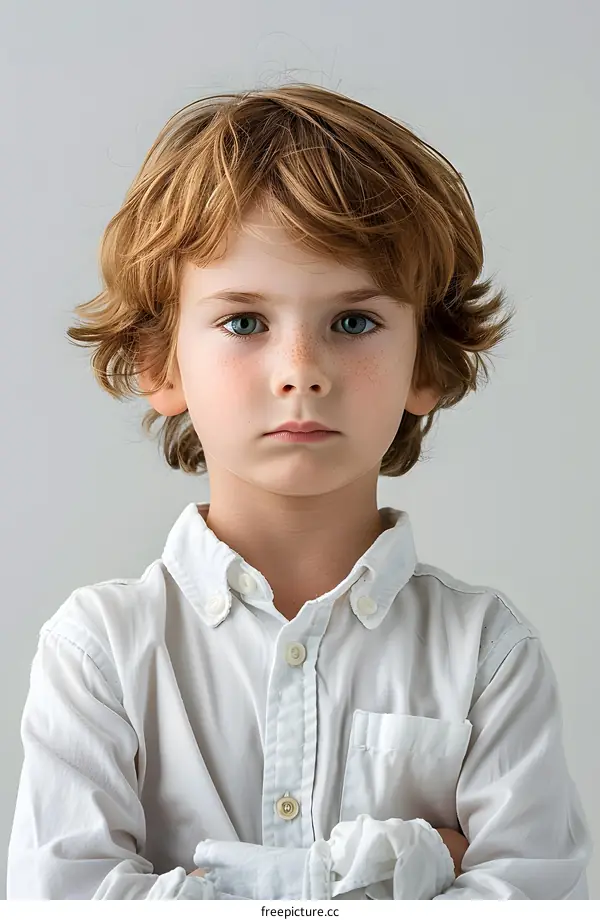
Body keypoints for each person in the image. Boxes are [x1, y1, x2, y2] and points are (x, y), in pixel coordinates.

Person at [6, 84, 592, 899]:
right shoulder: (99, 652)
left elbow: (535, 901)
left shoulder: (489, 656)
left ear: (426, 363)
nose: (301, 372)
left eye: (352, 322)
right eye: (245, 322)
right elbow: (63, 904)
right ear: (157, 360)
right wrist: (407, 867)